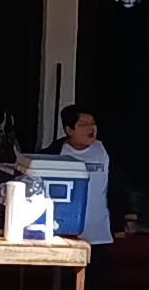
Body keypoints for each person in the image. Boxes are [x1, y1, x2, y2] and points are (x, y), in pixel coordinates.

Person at [44, 103, 112, 247]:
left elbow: (116, 184)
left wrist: (127, 216)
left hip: (99, 233)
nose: (91, 128)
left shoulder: (103, 150)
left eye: (93, 123)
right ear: (69, 130)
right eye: (83, 124)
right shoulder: (55, 153)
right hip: (63, 231)